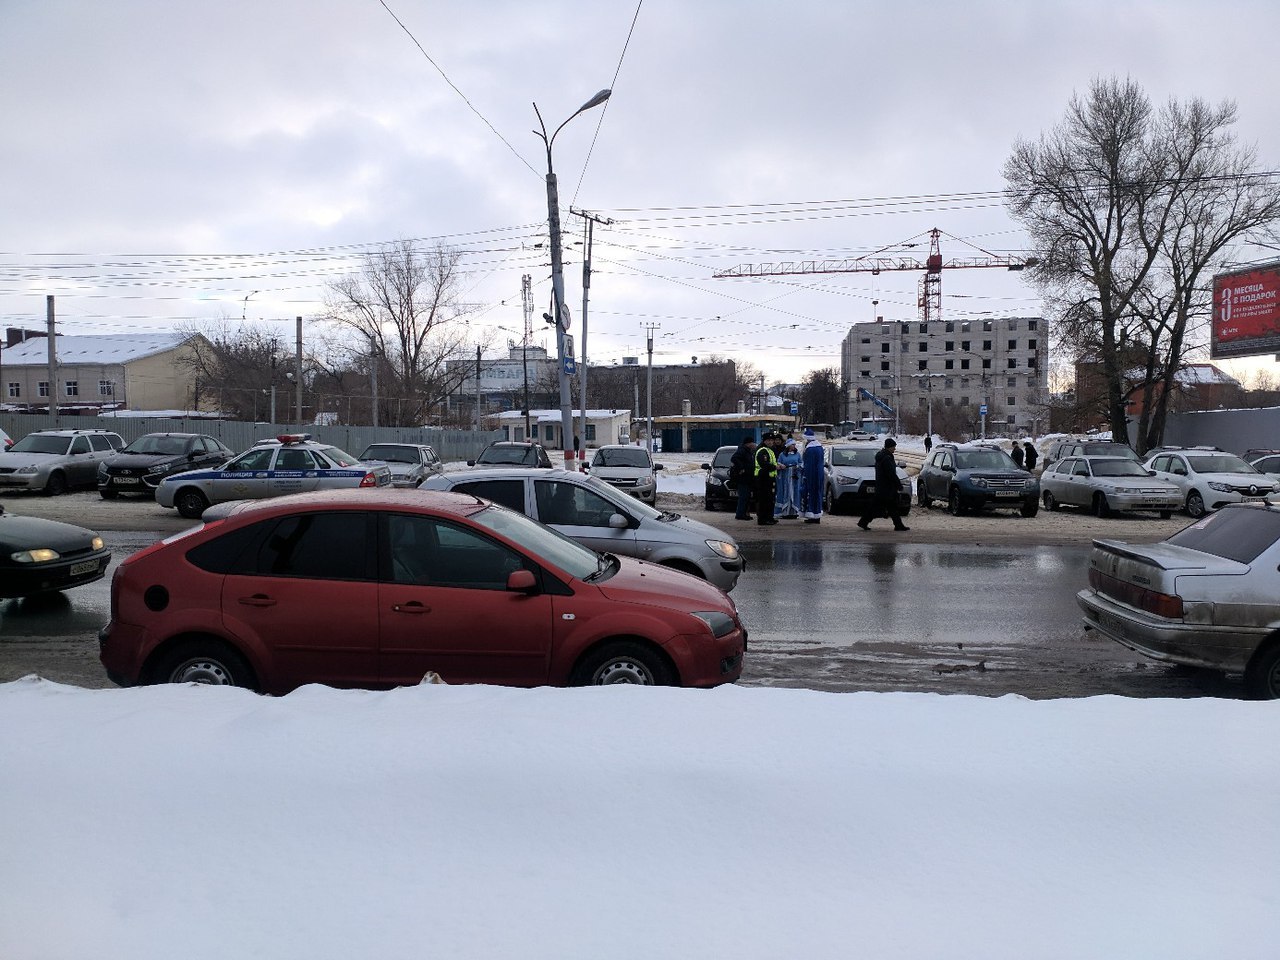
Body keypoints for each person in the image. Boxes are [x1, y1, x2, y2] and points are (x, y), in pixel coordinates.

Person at [857, 437, 909, 531]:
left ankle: (898, 525)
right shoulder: (886, 458)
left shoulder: (882, 456)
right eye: (894, 447)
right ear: (889, 447)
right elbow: (891, 474)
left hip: (883, 487)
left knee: (890, 507)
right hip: (886, 488)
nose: (895, 449)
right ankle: (864, 522)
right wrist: (898, 485)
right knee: (881, 507)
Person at [729, 435, 757, 520]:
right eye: (752, 442)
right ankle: (740, 514)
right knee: (743, 497)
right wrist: (741, 468)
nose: (754, 444)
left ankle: (745, 513)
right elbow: (734, 458)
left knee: (747, 497)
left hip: (748, 478)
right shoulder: (742, 451)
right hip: (743, 479)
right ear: (748, 443)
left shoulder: (748, 451)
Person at [754, 432, 780, 525]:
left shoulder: (770, 450)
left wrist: (777, 466)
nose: (770, 442)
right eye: (768, 440)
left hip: (770, 478)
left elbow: (772, 462)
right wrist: (775, 467)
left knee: (770, 499)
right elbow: (764, 464)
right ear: (764, 441)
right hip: (763, 478)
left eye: (771, 440)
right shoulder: (762, 451)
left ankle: (769, 517)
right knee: (764, 500)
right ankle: (763, 519)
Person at [800, 427, 825, 523]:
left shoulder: (810, 450)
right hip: (819, 475)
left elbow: (808, 465)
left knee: (809, 494)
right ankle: (816, 514)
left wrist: (804, 473)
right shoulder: (819, 447)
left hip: (811, 476)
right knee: (817, 494)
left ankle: (811, 514)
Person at [774, 437, 803, 519]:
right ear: (788, 446)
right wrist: (781, 466)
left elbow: (801, 463)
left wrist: (798, 466)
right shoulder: (782, 455)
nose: (794, 446)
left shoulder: (797, 454)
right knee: (785, 492)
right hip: (785, 477)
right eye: (792, 445)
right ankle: (784, 512)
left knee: (794, 492)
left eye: (794, 444)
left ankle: (794, 512)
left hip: (795, 477)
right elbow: (778, 463)